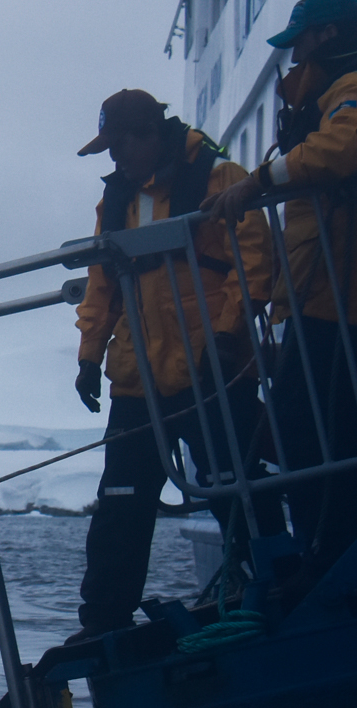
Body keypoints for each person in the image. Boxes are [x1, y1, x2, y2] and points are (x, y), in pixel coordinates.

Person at [69, 89, 278, 641]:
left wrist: (229, 336)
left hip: (210, 363)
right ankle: (104, 623)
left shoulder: (219, 178)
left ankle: (273, 587)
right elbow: (101, 284)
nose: (114, 159)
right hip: (137, 374)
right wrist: (90, 357)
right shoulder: (114, 202)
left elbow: (252, 259)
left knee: (238, 485)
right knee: (120, 504)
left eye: (118, 146)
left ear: (149, 136)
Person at [204, 0, 357, 589]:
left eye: (301, 40)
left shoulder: (348, 86)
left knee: (312, 428)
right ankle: (324, 549)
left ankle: (329, 556)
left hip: (336, 305)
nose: (294, 54)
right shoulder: (325, 91)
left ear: (329, 33)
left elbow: (343, 149)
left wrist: (260, 179)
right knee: (309, 428)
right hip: (320, 299)